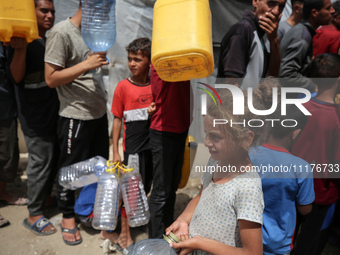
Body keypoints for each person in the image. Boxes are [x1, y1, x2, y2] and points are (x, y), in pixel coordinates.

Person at [166, 85, 271, 255]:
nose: (206, 142)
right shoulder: (215, 160)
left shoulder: (248, 187)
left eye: (215, 136)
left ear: (245, 138)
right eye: (206, 133)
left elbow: (252, 252)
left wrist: (200, 243)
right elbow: (201, 196)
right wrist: (183, 220)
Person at [44, 1, 109, 245]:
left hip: (97, 114)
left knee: (97, 167)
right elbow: (50, 78)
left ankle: (87, 209)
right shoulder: (62, 32)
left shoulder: (93, 34)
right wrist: (86, 64)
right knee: (71, 169)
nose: (107, 15)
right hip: (75, 114)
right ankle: (68, 216)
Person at [6, 0, 59, 236]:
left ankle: (45, 197)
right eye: (44, 11)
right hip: (34, 115)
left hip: (50, 112)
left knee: (50, 158)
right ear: (32, 13)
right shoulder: (20, 40)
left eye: (52, 12)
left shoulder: (46, 40)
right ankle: (34, 214)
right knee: (40, 161)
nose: (49, 16)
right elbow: (16, 77)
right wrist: (20, 49)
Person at [107, 37, 153, 252]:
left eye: (138, 59)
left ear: (150, 62)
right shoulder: (123, 87)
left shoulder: (156, 87)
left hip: (151, 149)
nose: (132, 63)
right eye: (130, 59)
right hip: (132, 151)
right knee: (130, 192)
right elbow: (117, 119)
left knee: (145, 189)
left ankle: (132, 225)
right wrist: (115, 150)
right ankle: (125, 237)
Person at [291, 53, 340, 255]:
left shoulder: (299, 108)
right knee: (310, 242)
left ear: (312, 80)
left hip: (292, 186)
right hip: (321, 193)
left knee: (288, 237)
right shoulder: (336, 119)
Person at [249, 103, 315, 255]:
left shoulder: (247, 155)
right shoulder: (301, 167)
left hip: (243, 236)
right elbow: (305, 210)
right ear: (296, 133)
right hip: (276, 245)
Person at [147, 66, 192, 239]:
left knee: (172, 185)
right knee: (161, 189)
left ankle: (167, 230)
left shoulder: (185, 53)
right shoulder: (164, 58)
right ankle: (155, 241)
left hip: (180, 126)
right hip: (164, 129)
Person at [217, 0, 287, 88]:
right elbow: (231, 85)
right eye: (271, 3)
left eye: (281, 6)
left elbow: (272, 76)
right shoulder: (243, 30)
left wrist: (274, 40)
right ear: (255, 2)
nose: (276, 11)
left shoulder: (260, 34)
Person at [279, 0, 335, 93]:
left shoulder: (303, 32)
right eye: (328, 8)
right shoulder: (302, 37)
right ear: (314, 13)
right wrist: (313, 86)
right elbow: (287, 73)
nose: (332, 11)